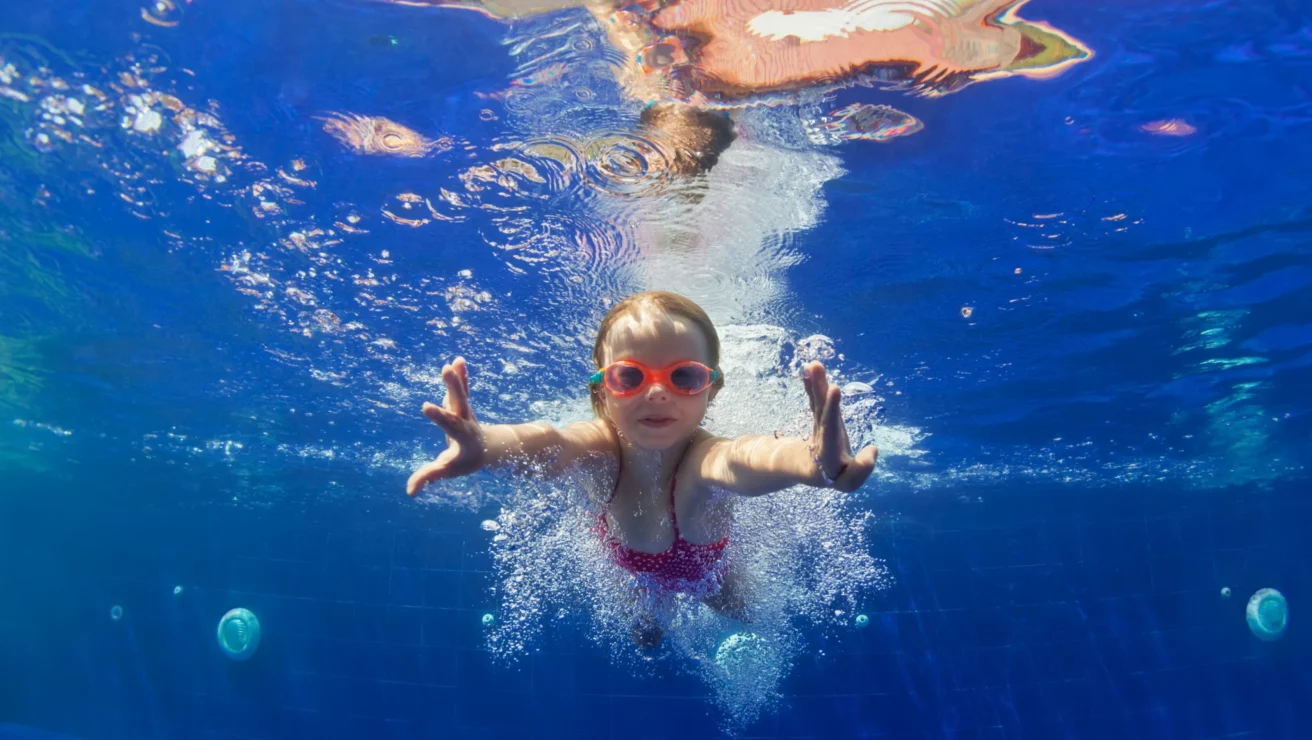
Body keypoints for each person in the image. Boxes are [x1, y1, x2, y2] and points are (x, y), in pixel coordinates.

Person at [406, 291, 879, 646]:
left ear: (711, 389)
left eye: (684, 376)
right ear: (602, 389)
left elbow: (746, 457)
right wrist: (487, 446)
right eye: (629, 376)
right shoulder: (599, 448)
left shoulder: (704, 457)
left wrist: (812, 463)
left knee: (750, 616)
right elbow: (550, 443)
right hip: (633, 573)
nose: (656, 392)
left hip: (711, 572)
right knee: (646, 638)